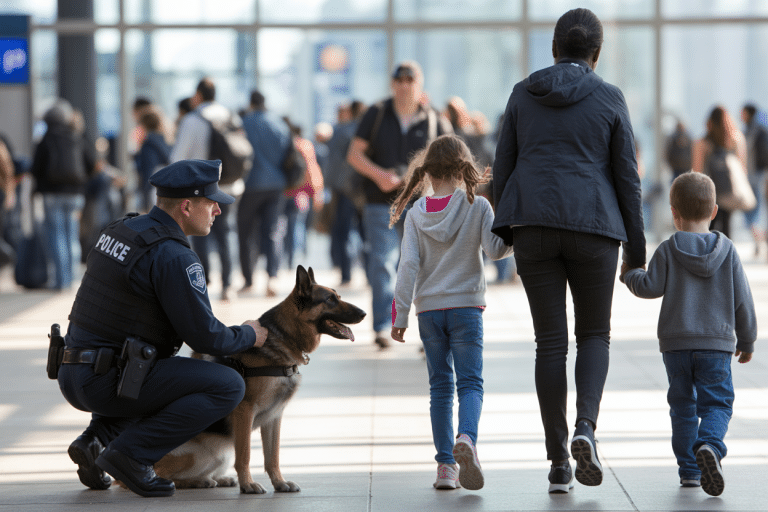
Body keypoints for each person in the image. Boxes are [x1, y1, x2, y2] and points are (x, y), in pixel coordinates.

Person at [491, 8, 646, 493]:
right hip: (596, 226)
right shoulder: (609, 97)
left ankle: (559, 462)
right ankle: (585, 429)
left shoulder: (522, 93)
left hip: (535, 225)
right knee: (594, 335)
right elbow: (628, 178)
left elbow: (503, 164)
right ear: (595, 53)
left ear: (554, 49)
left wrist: (507, 228)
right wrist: (636, 251)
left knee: (550, 344)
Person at [57, 159, 269, 498]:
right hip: (106, 381)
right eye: (211, 202)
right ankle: (131, 455)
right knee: (227, 385)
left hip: (74, 374)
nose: (217, 210)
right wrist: (249, 334)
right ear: (187, 206)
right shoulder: (173, 256)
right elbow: (206, 337)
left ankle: (95, 442)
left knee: (155, 368)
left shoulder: (122, 229)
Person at [620, 172, 756, 496]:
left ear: (673, 212)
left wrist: (629, 275)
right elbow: (743, 300)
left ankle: (690, 472)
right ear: (713, 211)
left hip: (676, 346)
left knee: (682, 408)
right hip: (716, 344)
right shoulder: (728, 251)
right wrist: (747, 339)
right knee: (717, 405)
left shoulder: (669, 249)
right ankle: (709, 444)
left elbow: (649, 286)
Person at [390, 134, 513, 491]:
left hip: (429, 313)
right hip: (466, 309)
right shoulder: (479, 206)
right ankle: (468, 440)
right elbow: (494, 251)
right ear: (464, 169)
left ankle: (446, 468)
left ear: (427, 172)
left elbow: (407, 266)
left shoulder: (415, 213)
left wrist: (399, 317)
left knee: (440, 388)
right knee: (470, 383)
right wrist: (515, 236)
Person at [347, 61, 452, 349]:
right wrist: (380, 175)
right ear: (393, 84)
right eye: (400, 80)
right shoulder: (376, 114)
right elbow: (354, 155)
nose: (405, 85)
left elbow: (452, 164)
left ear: (420, 84)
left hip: (424, 205)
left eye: (411, 80)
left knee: (428, 267)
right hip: (382, 202)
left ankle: (430, 330)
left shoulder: (435, 119)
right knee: (383, 263)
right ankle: (384, 327)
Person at [171, 78, 240, 301]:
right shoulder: (231, 115)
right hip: (231, 184)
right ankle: (228, 285)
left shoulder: (192, 120)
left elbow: (178, 157)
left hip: (201, 188)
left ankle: (203, 282)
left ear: (198, 95)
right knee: (226, 233)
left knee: (199, 234)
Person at [30, 99, 99, 290]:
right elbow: (92, 164)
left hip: (51, 194)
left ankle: (60, 281)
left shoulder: (46, 138)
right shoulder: (76, 136)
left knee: (56, 235)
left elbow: (36, 168)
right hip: (75, 194)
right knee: (71, 235)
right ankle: (72, 280)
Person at [239, 90, 292, 297]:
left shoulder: (244, 123)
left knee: (245, 232)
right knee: (272, 231)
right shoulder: (279, 123)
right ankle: (272, 277)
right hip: (276, 184)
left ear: (250, 103)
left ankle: (248, 278)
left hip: (250, 185)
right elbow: (288, 152)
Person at [692, 105, 747, 239]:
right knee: (727, 226)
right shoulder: (735, 140)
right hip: (728, 190)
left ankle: (708, 256)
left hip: (708, 191)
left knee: (707, 227)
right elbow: (742, 168)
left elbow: (696, 170)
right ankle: (726, 255)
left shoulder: (703, 142)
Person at [326, 100, 366, 286]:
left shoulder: (342, 130)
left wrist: (332, 185)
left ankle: (346, 275)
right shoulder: (368, 131)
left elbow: (333, 162)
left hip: (344, 189)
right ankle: (369, 275)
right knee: (366, 232)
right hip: (364, 189)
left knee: (343, 232)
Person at [282, 118, 324, 269]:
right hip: (301, 193)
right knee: (298, 226)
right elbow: (311, 171)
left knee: (286, 227)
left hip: (284, 192)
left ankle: (289, 259)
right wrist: (316, 191)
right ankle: (296, 260)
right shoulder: (305, 145)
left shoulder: (285, 144)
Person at [741, 104, 768, 257]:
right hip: (751, 176)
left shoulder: (758, 131)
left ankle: (759, 239)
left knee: (753, 210)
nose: (741, 116)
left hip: (756, 176)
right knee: (751, 211)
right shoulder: (750, 130)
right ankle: (759, 238)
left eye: (743, 113)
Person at [134, 105, 171, 212]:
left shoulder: (148, 145)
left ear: (143, 125)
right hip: (166, 193)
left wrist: (144, 201)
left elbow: (148, 174)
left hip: (153, 195)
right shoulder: (166, 142)